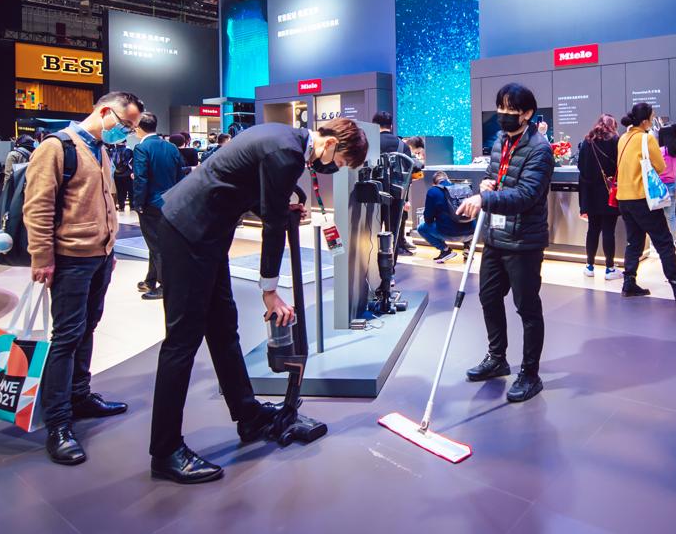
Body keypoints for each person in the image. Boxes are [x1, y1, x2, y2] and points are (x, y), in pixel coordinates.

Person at [148, 118, 368, 484]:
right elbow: (271, 225)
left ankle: (248, 415)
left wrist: (281, 208)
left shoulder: (285, 141)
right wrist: (270, 291)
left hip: (207, 234)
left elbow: (247, 187)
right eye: (341, 162)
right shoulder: (287, 152)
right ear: (331, 144)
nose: (335, 169)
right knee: (181, 342)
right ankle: (165, 451)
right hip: (188, 231)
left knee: (223, 329)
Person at [25, 91, 144, 466]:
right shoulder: (57, 147)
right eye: (125, 125)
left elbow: (104, 202)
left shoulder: (100, 150)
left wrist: (110, 250)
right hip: (70, 259)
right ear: (106, 112)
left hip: (100, 257)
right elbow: (38, 206)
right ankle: (58, 423)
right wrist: (41, 256)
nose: (126, 132)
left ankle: (80, 394)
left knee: (88, 328)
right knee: (66, 336)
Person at [456, 83, 554, 403]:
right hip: (495, 236)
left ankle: (530, 373)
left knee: (527, 307)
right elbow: (493, 174)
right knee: (488, 297)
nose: (503, 114)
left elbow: (526, 195)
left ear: (527, 113)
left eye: (511, 110)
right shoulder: (500, 140)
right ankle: (497, 358)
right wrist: (486, 183)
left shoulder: (540, 149)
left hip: (524, 240)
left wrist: (484, 199)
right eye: (500, 108)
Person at [614, 103, 676, 302]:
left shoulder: (623, 138)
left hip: (624, 198)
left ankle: (629, 283)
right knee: (664, 242)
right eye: (652, 117)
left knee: (634, 241)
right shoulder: (646, 138)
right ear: (645, 121)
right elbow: (660, 165)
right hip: (642, 198)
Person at [132, 111, 183, 301]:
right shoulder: (171, 147)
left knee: (156, 245)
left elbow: (141, 178)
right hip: (170, 202)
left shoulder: (141, 148)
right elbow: (180, 175)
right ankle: (151, 280)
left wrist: (138, 203)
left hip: (151, 203)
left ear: (139, 127)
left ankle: (165, 285)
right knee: (157, 243)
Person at [577, 114, 621, 279]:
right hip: (610, 192)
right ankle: (609, 268)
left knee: (592, 229)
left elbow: (581, 167)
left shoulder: (588, 141)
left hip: (591, 193)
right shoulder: (616, 140)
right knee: (609, 230)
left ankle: (589, 266)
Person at [373, 111, 415, 257]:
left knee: (372, 230)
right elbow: (407, 176)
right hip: (396, 195)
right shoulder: (403, 145)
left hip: (374, 194)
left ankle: (373, 261)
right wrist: (406, 199)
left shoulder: (370, 143)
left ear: (374, 125)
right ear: (391, 126)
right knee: (394, 231)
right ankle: (391, 263)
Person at [418, 171, 476, 263]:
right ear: (448, 179)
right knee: (465, 219)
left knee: (421, 228)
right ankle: (468, 249)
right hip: (472, 232)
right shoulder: (464, 188)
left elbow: (428, 219)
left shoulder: (433, 191)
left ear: (434, 184)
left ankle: (445, 250)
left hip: (449, 233)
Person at [657, 123, 676, 240]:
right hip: (672, 186)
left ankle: (660, 242)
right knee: (671, 216)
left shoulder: (660, 151)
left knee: (658, 217)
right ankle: (672, 241)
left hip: (660, 188)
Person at [110, 141, 134, 213]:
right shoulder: (128, 150)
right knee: (130, 190)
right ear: (125, 142)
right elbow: (131, 162)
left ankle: (121, 206)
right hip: (127, 174)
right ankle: (132, 206)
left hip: (116, 174)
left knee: (120, 191)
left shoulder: (112, 151)